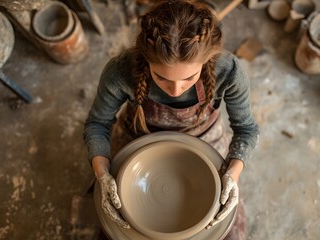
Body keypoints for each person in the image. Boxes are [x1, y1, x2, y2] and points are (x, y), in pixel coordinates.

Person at [83, 0, 259, 239]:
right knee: (113, 222)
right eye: (161, 77)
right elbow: (97, 124)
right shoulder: (121, 70)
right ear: (146, 59)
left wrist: (233, 174)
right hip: (139, 134)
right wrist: (102, 174)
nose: (175, 90)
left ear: (207, 60)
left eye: (189, 78)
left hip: (203, 137)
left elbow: (246, 129)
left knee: (226, 223)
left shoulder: (227, 70)